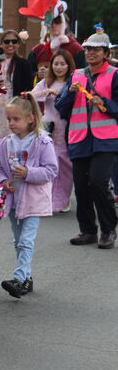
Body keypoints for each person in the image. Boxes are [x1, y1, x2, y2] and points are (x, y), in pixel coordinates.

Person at [55, 28, 118, 249]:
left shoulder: (114, 74)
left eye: (96, 49)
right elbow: (60, 107)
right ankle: (88, 230)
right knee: (81, 185)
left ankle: (109, 229)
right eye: (88, 49)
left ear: (106, 53)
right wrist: (70, 93)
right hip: (80, 137)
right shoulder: (76, 75)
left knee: (98, 182)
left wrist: (105, 104)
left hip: (105, 138)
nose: (90, 53)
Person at [0, 93, 58, 297]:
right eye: (9, 119)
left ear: (30, 118)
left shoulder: (42, 142)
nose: (11, 123)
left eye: (16, 119)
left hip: (33, 201)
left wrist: (29, 173)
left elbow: (51, 170)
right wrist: (4, 182)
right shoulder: (5, 143)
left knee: (25, 241)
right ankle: (26, 277)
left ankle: (20, 278)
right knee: (18, 240)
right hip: (14, 201)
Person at [0, 30, 34, 181]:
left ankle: (13, 184)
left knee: (13, 147)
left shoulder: (23, 64)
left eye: (14, 41)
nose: (10, 44)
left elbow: (28, 89)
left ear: (18, 44)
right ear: (1, 44)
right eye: (7, 41)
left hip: (15, 107)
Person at [32, 50, 75, 212]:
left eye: (62, 64)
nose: (59, 67)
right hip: (48, 127)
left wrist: (60, 94)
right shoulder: (46, 82)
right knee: (48, 163)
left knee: (65, 165)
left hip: (66, 128)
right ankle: (48, 199)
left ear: (68, 65)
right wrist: (42, 92)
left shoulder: (73, 83)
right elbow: (33, 95)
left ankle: (64, 199)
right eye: (56, 64)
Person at [27, 11, 85, 78]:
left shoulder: (77, 49)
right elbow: (27, 75)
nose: (53, 25)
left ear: (65, 24)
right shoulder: (37, 51)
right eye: (49, 22)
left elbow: (82, 76)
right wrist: (37, 75)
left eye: (57, 21)